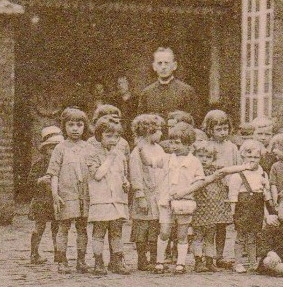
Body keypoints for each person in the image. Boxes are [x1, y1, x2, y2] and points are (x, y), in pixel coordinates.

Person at [154, 124, 206, 275]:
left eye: (178, 143)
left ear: (188, 144)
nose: (173, 146)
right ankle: (160, 261)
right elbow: (149, 161)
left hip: (184, 202)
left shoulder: (194, 161)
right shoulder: (167, 158)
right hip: (166, 201)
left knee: (182, 234)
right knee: (164, 231)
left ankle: (180, 263)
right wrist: (141, 146)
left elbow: (200, 181)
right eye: (171, 142)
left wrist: (185, 191)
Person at [49, 107, 92, 273]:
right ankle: (62, 260)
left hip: (84, 194)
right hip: (66, 195)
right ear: (64, 126)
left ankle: (81, 260)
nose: (75, 128)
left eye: (79, 125)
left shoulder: (88, 147)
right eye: (71, 124)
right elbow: (53, 174)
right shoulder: (60, 148)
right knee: (64, 227)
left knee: (82, 228)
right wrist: (55, 195)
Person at [86, 120, 130, 275]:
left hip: (117, 199)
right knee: (99, 232)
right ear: (99, 136)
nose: (113, 140)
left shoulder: (120, 156)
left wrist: (125, 183)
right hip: (101, 200)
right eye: (109, 136)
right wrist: (110, 158)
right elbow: (97, 175)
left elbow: (122, 174)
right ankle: (98, 261)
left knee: (117, 232)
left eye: (116, 136)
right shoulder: (93, 154)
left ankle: (116, 261)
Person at [190, 141, 239, 273]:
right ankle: (198, 261)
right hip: (199, 208)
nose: (204, 159)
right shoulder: (194, 171)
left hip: (213, 209)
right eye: (201, 156)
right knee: (198, 236)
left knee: (210, 236)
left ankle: (210, 261)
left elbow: (225, 183)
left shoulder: (217, 171)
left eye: (208, 157)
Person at [228, 139, 276, 273]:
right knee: (241, 236)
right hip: (243, 208)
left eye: (256, 157)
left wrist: (269, 202)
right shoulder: (238, 174)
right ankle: (238, 262)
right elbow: (233, 194)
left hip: (257, 207)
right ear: (243, 156)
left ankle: (253, 262)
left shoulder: (262, 173)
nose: (252, 160)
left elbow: (266, 192)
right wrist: (232, 210)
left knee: (253, 236)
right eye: (249, 157)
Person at [129, 113, 168, 271]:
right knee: (142, 228)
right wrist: (140, 195)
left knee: (155, 227)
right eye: (158, 130)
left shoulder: (158, 149)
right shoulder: (137, 152)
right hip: (145, 195)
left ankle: (154, 257)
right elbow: (136, 175)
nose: (161, 133)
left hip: (158, 194)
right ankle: (141, 258)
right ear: (148, 131)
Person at [202, 109, 241, 264]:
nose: (223, 132)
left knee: (222, 225)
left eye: (225, 129)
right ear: (210, 130)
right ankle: (208, 255)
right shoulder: (206, 146)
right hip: (210, 190)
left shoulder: (232, 147)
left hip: (226, 189)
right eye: (219, 129)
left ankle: (219, 255)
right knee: (209, 224)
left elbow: (238, 166)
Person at [136, 47, 202, 123]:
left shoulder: (187, 91)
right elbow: (140, 122)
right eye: (159, 63)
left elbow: (195, 121)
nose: (163, 67)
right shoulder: (146, 93)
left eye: (166, 63)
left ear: (174, 66)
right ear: (154, 67)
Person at [28, 126, 62, 265]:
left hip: (55, 199)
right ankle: (34, 253)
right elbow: (29, 182)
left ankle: (58, 252)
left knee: (57, 227)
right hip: (42, 200)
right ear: (45, 149)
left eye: (57, 148)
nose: (54, 151)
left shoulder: (62, 164)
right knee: (39, 227)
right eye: (51, 148)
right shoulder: (39, 164)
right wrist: (40, 180)